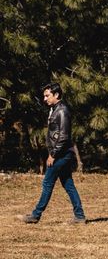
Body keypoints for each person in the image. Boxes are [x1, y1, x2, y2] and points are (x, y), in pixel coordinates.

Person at [17, 82, 86, 224]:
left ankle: (36, 215)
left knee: (47, 183)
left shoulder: (62, 111)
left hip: (60, 155)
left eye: (47, 96)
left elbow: (63, 136)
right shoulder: (55, 109)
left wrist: (52, 154)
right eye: (44, 96)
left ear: (56, 95)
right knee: (68, 185)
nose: (44, 99)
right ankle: (79, 216)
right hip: (62, 153)